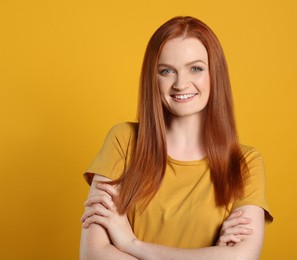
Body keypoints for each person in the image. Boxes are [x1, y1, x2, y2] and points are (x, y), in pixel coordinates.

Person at [80, 16, 273, 260]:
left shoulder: (245, 163)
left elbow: (240, 258)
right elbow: (93, 255)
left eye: (196, 68)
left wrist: (130, 244)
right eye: (167, 71)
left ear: (216, 74)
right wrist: (213, 255)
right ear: (153, 78)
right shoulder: (123, 141)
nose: (181, 84)